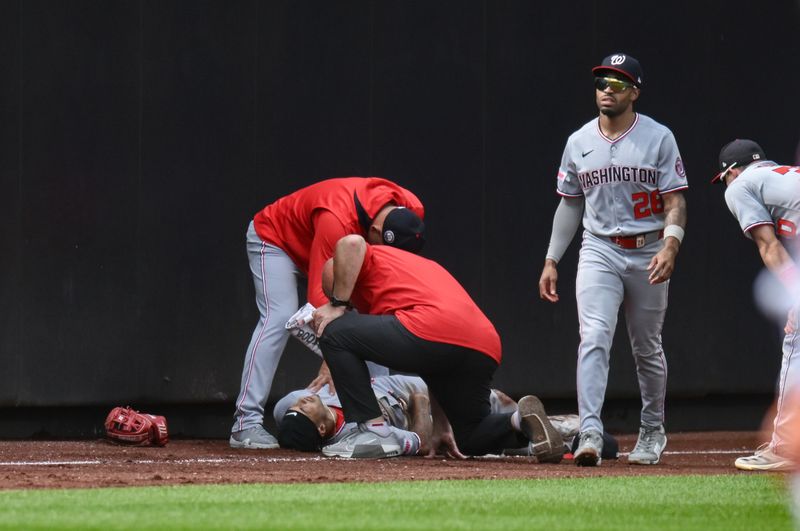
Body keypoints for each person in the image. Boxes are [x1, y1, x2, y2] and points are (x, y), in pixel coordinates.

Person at [537, 53, 688, 466]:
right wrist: (552, 258)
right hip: (599, 248)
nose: (607, 89)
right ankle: (589, 430)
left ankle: (653, 428)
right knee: (594, 336)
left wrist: (671, 245)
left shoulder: (658, 137)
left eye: (618, 84)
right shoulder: (579, 141)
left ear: (635, 92)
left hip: (649, 249)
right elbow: (570, 205)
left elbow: (675, 201)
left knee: (646, 347)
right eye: (603, 81)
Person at [310, 235, 566, 461]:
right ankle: (521, 421)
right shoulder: (412, 269)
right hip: (481, 344)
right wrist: (441, 426)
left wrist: (337, 304)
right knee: (470, 436)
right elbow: (433, 357)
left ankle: (373, 432)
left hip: (434, 330)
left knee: (333, 331)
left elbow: (351, 242)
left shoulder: (370, 259)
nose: (352, 307)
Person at [230, 177, 426, 449]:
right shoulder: (336, 220)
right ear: (377, 229)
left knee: (372, 319)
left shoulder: (411, 209)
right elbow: (322, 302)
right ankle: (245, 423)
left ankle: (377, 420)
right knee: (278, 315)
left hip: (331, 244)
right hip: (277, 240)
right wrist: (334, 358)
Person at [274, 374, 620, 460]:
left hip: (449, 396)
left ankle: (556, 428)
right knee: (501, 434)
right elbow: (421, 442)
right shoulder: (356, 435)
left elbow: (288, 408)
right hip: (441, 405)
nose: (302, 400)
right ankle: (580, 434)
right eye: (302, 409)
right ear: (321, 427)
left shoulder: (302, 400)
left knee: (506, 410)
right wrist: (421, 402)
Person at [712, 139, 800, 471]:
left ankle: (785, 448)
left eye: (724, 179)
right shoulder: (782, 176)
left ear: (730, 171)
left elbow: (768, 245)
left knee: (795, 341)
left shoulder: (740, 185)